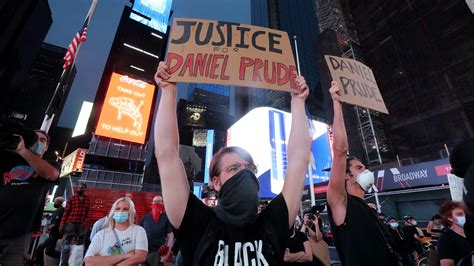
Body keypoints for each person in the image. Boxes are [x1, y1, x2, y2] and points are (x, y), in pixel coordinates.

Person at [154, 61, 311, 264]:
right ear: (216, 182)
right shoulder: (198, 222)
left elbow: (299, 158)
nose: (245, 174)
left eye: (250, 168)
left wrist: (298, 102)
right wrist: (168, 91)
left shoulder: (272, 222)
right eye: (234, 168)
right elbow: (166, 152)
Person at [326, 81, 400, 266]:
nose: (366, 170)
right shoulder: (340, 202)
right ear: (346, 175)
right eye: (358, 168)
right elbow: (340, 149)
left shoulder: (368, 209)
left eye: (364, 167)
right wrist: (337, 102)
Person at [0, 129, 59, 265]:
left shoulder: (50, 164)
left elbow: (51, 174)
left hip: (19, 234)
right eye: (35, 139)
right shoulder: (7, 161)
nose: (38, 142)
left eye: (42, 140)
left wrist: (23, 151)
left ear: (47, 147)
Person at [84, 197, 148, 265]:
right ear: (113, 211)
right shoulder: (101, 234)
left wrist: (102, 261)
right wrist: (124, 256)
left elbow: (140, 257)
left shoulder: (138, 231)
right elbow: (89, 262)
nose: (121, 212)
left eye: (125, 209)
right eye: (117, 209)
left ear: (130, 212)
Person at [59, 183, 90, 265]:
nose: (80, 189)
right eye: (79, 187)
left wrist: (85, 223)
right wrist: (62, 224)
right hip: (70, 224)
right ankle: (64, 263)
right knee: (66, 245)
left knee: (79, 246)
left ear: (85, 189)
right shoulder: (71, 199)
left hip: (81, 224)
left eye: (82, 187)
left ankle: (75, 263)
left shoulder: (87, 200)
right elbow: (66, 212)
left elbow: (87, 213)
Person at [140, 195, 174, 265]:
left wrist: (166, 255)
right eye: (155, 201)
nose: (156, 203)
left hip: (158, 253)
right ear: (152, 203)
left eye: (159, 201)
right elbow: (139, 233)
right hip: (144, 251)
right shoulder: (145, 217)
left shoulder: (167, 218)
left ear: (162, 203)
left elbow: (170, 237)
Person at [437, 201, 472, 265]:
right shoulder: (446, 238)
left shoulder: (470, 232)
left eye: (465, 214)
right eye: (460, 214)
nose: (464, 216)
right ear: (450, 218)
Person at [34, 197, 65, 265]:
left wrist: (53, 226)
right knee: (49, 252)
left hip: (56, 234)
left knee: (40, 247)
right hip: (52, 233)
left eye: (56, 202)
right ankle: (64, 257)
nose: (55, 203)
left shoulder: (63, 211)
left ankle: (38, 264)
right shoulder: (55, 211)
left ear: (60, 203)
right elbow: (51, 221)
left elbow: (61, 222)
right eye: (54, 202)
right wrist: (48, 227)